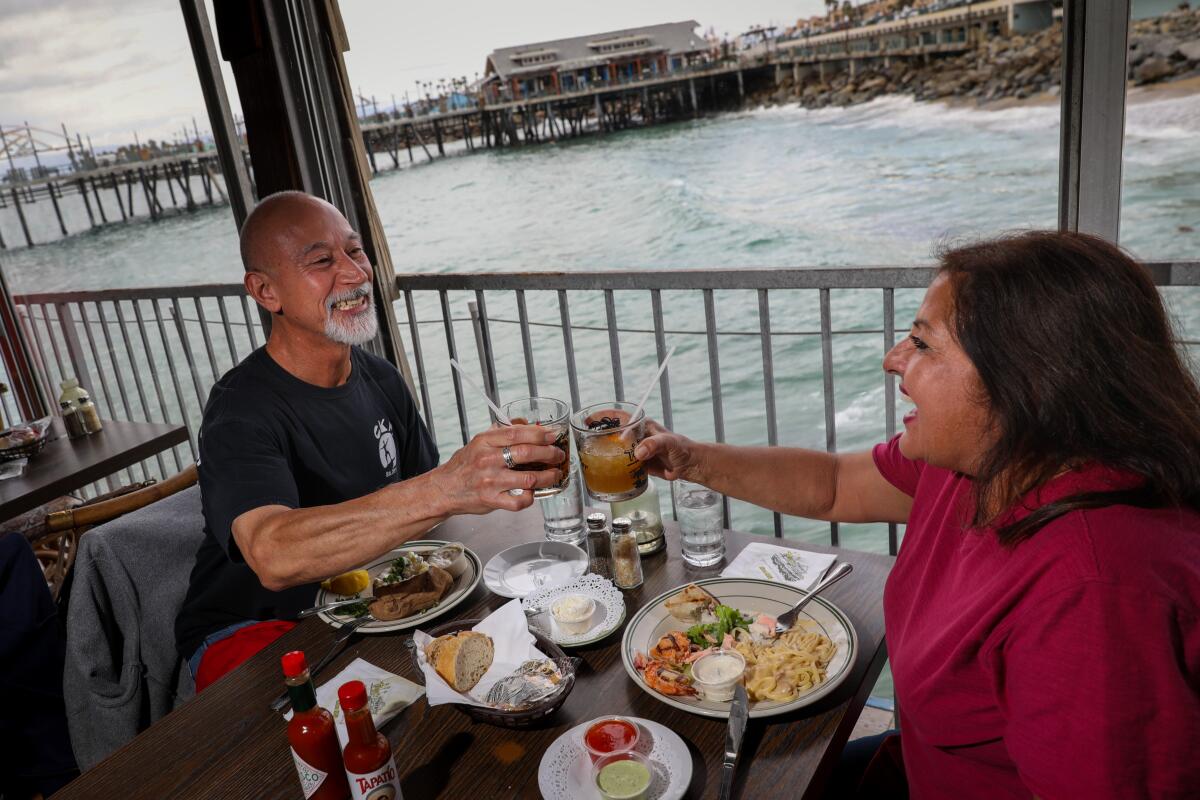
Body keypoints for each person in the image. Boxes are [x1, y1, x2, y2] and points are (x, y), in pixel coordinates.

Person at [635, 231, 1200, 799]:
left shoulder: (1095, 595)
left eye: (923, 344)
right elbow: (834, 485)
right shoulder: (980, 462)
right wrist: (687, 458)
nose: (892, 359)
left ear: (1025, 379)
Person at [175, 192, 564, 689]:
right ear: (266, 291)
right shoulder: (239, 410)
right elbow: (271, 554)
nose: (356, 273)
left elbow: (429, 510)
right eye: (322, 260)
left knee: (524, 662)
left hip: (367, 609)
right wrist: (447, 486)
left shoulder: (380, 378)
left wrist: (481, 485)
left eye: (355, 252)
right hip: (254, 631)